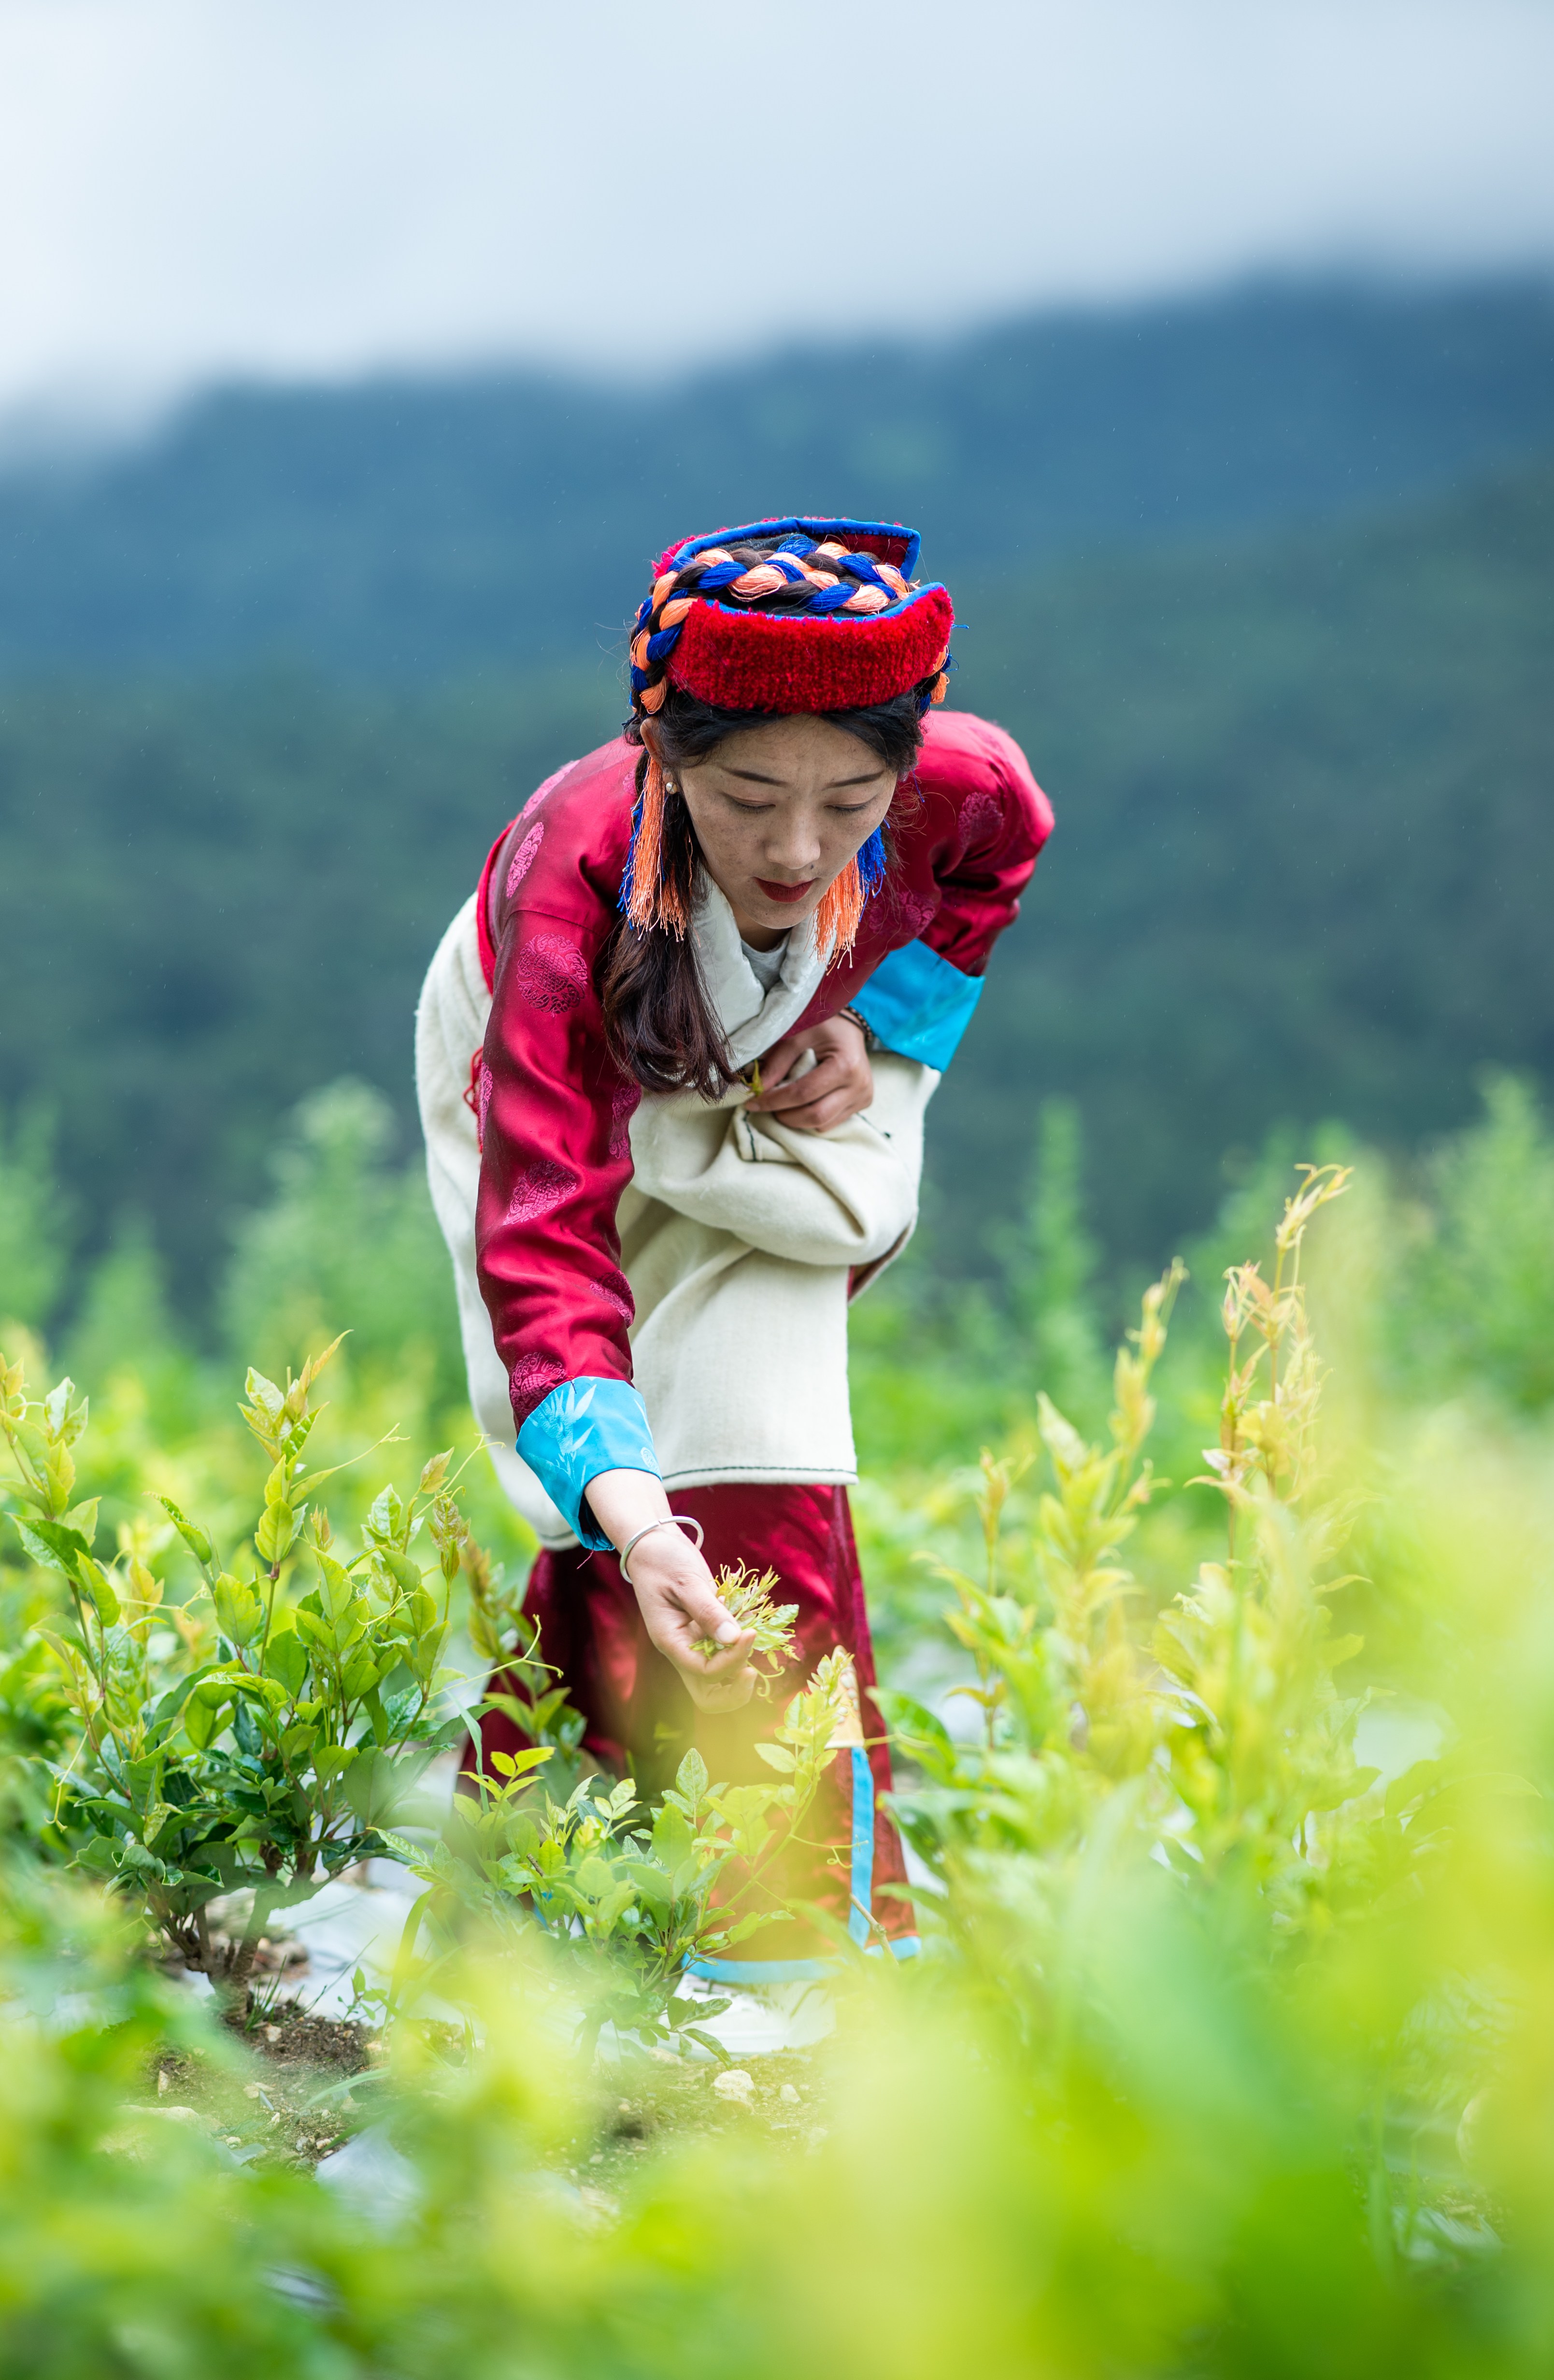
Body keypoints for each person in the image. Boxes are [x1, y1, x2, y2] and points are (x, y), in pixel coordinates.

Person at [418, 516, 1052, 1975]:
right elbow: (547, 1234)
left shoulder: (966, 786)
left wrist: (872, 1025)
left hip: (772, 1048)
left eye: (851, 802)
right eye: (749, 793)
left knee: (749, 1431)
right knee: (627, 1479)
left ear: (909, 760)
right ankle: (685, 1932)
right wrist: (637, 1517)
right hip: (549, 1070)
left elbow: (994, 858)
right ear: (661, 751)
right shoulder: (570, 881)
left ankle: (645, 1932)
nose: (796, 847)